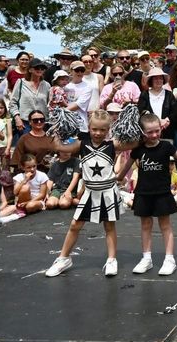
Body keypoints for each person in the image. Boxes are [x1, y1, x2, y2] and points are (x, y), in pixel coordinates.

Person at [45, 110, 140, 277]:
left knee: (109, 226)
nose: (98, 133)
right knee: (75, 225)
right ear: (88, 128)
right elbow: (58, 147)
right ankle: (64, 258)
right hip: (90, 192)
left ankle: (112, 259)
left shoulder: (112, 145)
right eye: (94, 129)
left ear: (109, 130)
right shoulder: (81, 144)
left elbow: (135, 142)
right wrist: (57, 127)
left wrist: (133, 122)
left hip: (108, 192)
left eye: (103, 130)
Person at [130, 113, 177, 276]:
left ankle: (170, 259)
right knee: (145, 225)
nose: (154, 135)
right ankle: (146, 258)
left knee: (165, 225)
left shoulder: (166, 146)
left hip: (162, 193)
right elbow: (125, 167)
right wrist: (117, 177)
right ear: (142, 132)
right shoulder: (138, 149)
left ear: (161, 129)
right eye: (149, 132)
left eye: (157, 131)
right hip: (143, 193)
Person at [9, 59, 50, 136]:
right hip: (25, 123)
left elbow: (50, 104)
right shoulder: (21, 83)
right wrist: (17, 118)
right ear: (30, 69)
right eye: (37, 68)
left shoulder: (47, 85)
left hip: (42, 123)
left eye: (42, 68)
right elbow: (12, 103)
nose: (40, 70)